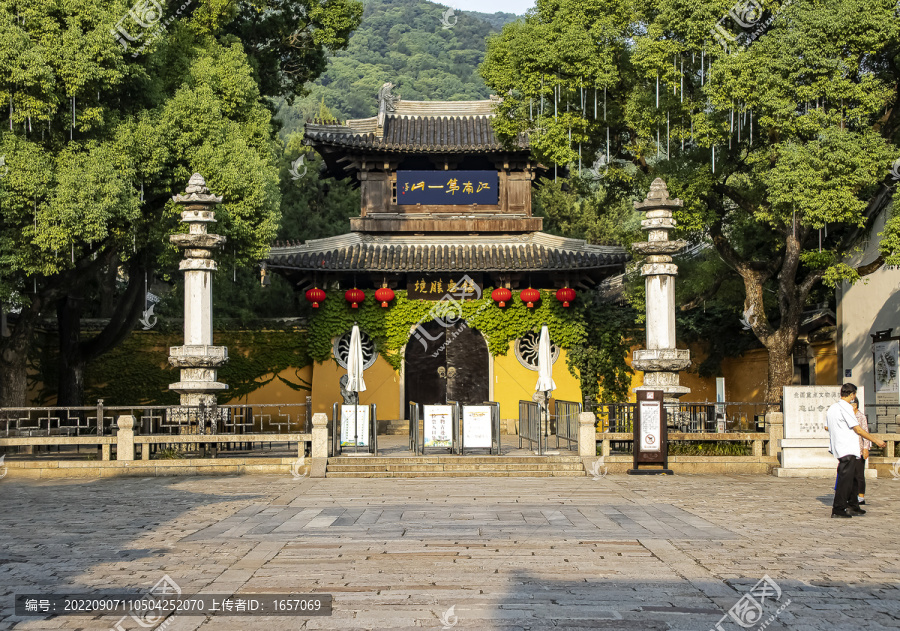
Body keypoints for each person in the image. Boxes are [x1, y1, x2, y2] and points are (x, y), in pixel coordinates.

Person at [826, 383, 886, 518]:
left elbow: (827, 427)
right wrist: (875, 440)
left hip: (841, 447)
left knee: (852, 478)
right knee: (845, 480)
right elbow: (858, 429)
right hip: (846, 448)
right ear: (852, 395)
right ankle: (839, 508)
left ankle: (853, 505)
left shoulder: (833, 408)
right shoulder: (846, 407)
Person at [851, 399, 871, 505]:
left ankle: (861, 496)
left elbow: (865, 433)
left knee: (859, 474)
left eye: (854, 403)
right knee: (850, 474)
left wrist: (866, 448)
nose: (852, 405)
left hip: (859, 448)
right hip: (849, 449)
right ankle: (851, 495)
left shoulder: (861, 416)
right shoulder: (847, 415)